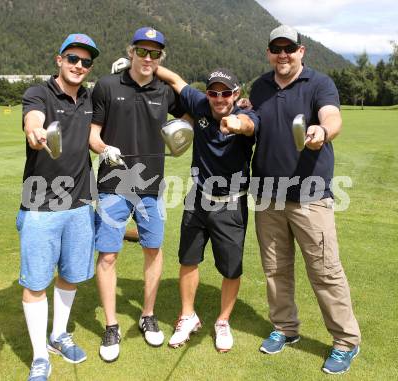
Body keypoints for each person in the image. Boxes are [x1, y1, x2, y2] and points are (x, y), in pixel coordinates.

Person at [247, 25, 361, 374]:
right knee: (275, 269)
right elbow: (253, 120)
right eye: (276, 48)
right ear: (269, 52)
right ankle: (285, 328)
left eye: (289, 48)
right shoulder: (261, 87)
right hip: (268, 196)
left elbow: (332, 116)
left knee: (325, 271)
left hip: (310, 197)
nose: (283, 54)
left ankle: (345, 342)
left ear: (301, 51)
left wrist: (322, 131)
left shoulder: (319, 84)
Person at [89, 27, 186, 362]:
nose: (148, 58)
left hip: (152, 189)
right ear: (130, 51)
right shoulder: (107, 85)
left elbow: (189, 116)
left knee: (153, 251)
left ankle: (147, 315)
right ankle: (112, 326)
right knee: (108, 255)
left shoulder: (166, 91)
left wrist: (179, 137)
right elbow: (93, 133)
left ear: (161, 59)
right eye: (142, 51)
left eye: (155, 53)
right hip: (113, 186)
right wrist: (103, 149)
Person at [154, 66, 259, 352]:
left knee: (231, 269)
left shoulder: (246, 114)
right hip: (197, 198)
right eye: (213, 92)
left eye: (225, 93)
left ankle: (223, 321)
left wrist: (236, 124)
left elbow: (249, 125)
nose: (219, 98)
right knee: (188, 260)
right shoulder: (200, 103)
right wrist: (144, 62)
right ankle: (188, 316)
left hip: (231, 204)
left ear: (236, 94)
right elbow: (175, 80)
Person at [18, 33, 99, 381]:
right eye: (72, 59)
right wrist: (36, 133)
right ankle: (39, 356)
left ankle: (58, 335)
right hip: (40, 206)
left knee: (70, 275)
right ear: (59, 59)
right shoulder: (39, 93)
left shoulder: (90, 99)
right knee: (36, 283)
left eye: (85, 62)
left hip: (80, 204)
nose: (78, 66)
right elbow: (32, 121)